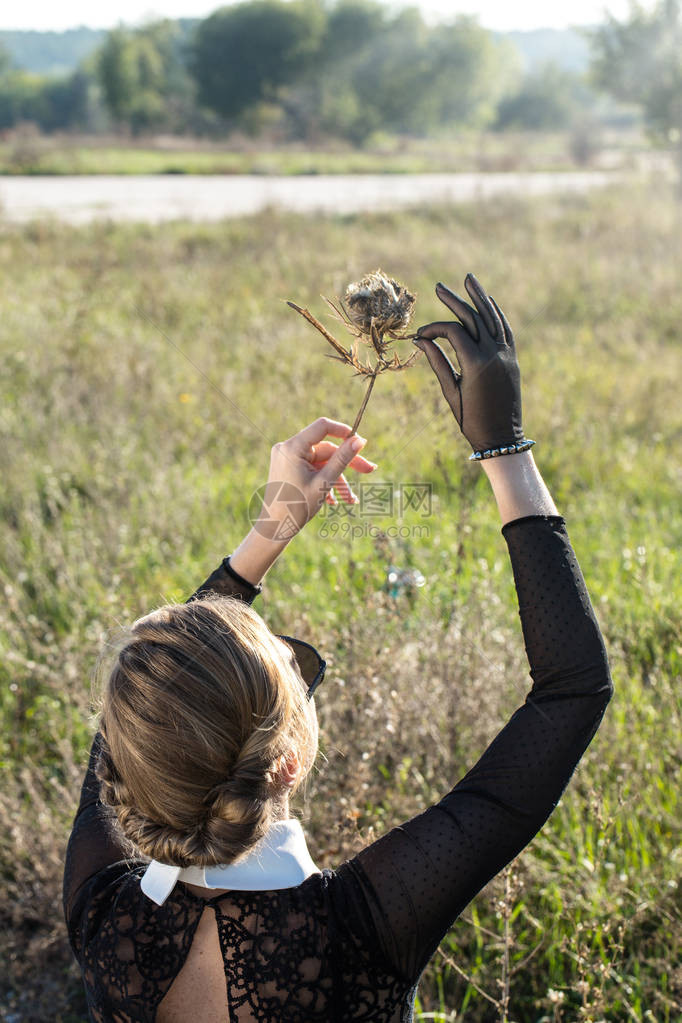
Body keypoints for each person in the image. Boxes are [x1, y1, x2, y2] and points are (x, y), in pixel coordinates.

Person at [63, 274, 613, 1022]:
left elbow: (158, 688)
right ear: (289, 758)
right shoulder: (363, 926)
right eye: (295, 667)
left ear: (132, 757)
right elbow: (574, 690)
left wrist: (270, 532)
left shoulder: (103, 919)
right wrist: (505, 446)